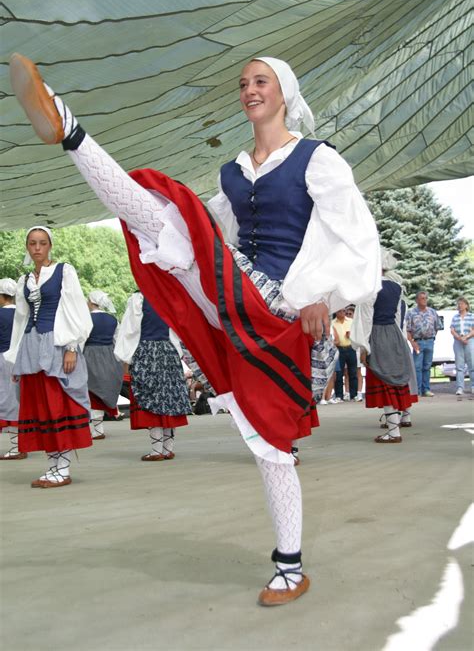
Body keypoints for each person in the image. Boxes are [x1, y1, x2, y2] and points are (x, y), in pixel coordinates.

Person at [9, 53, 380, 605]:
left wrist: (324, 297)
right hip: (233, 299)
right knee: (162, 220)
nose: (250, 90)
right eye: (244, 84)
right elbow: (216, 231)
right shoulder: (233, 170)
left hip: (281, 310)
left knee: (271, 446)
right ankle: (69, 129)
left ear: (284, 93)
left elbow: (354, 234)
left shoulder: (317, 159)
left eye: (261, 82)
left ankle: (290, 565)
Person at [4, 226, 93, 487]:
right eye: (32, 243)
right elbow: (20, 321)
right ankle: (52, 465)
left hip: (57, 343)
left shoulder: (64, 271)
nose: (37, 248)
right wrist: (15, 360)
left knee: (58, 405)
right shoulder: (24, 280)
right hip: (31, 348)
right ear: (27, 246)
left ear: (50, 245)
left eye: (42, 243)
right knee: (40, 407)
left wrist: (71, 347)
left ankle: (62, 468)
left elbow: (76, 309)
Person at [114, 292, 190, 460]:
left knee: (150, 398)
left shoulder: (138, 298)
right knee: (169, 399)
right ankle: (168, 448)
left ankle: (156, 450)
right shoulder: (168, 295)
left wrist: (126, 357)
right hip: (169, 351)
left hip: (147, 351)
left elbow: (130, 330)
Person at [352, 249, 418, 442]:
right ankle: (394, 428)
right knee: (393, 381)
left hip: (377, 334)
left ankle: (394, 432)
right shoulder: (397, 287)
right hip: (394, 334)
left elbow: (365, 319)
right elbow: (398, 318)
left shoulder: (370, 288)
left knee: (384, 379)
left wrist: (363, 347)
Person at [84, 290, 124, 439]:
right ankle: (98, 429)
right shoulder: (112, 319)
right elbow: (118, 341)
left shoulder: (85, 318)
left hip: (89, 354)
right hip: (109, 355)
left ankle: (97, 429)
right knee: (100, 391)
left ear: (91, 302)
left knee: (91, 392)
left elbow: (81, 339)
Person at [0, 278, 24, 460]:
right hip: (23, 360)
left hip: (4, 359)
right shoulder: (23, 314)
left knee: (8, 401)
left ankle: (17, 447)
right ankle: (20, 443)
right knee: (19, 400)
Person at [405, 291, 441, 397]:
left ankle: (426, 389)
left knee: (427, 366)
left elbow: (437, 326)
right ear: (417, 300)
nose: (424, 300)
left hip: (429, 341)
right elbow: (407, 330)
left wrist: (432, 338)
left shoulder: (432, 312)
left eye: (425, 298)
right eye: (422, 298)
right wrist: (412, 342)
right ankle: (417, 391)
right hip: (418, 342)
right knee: (417, 367)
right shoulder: (411, 313)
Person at [450, 297, 474, 397]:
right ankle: (460, 387)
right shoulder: (455, 317)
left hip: (470, 341)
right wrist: (460, 338)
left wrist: (466, 337)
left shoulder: (472, 316)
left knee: (472, 365)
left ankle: (473, 386)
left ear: (466, 305)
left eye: (461, 304)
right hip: (458, 342)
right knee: (459, 366)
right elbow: (452, 330)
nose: (460, 306)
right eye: (458, 304)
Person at [332, 309, 358, 401]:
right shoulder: (332, 323)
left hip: (350, 348)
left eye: (344, 311)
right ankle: (339, 395)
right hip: (339, 349)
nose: (343, 313)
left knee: (353, 372)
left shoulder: (351, 321)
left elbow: (357, 333)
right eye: (340, 311)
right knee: (339, 373)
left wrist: (351, 335)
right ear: (336, 312)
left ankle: (354, 395)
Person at [344, 304, 363, 401]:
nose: (347, 315)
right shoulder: (343, 323)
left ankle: (359, 392)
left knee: (358, 371)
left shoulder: (358, 323)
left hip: (356, 349)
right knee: (347, 372)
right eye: (346, 313)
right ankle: (347, 392)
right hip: (346, 348)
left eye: (350, 313)